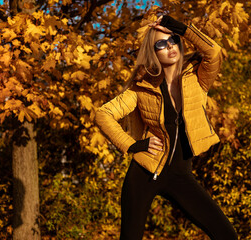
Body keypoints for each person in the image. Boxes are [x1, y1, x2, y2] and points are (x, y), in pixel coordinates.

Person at [95, 15, 238, 240]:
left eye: (173, 40)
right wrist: (132, 145)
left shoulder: (197, 77)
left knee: (226, 235)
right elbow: (103, 114)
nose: (169, 46)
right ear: (154, 52)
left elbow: (214, 52)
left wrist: (179, 27)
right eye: (161, 44)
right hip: (143, 174)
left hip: (180, 175)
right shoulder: (142, 88)